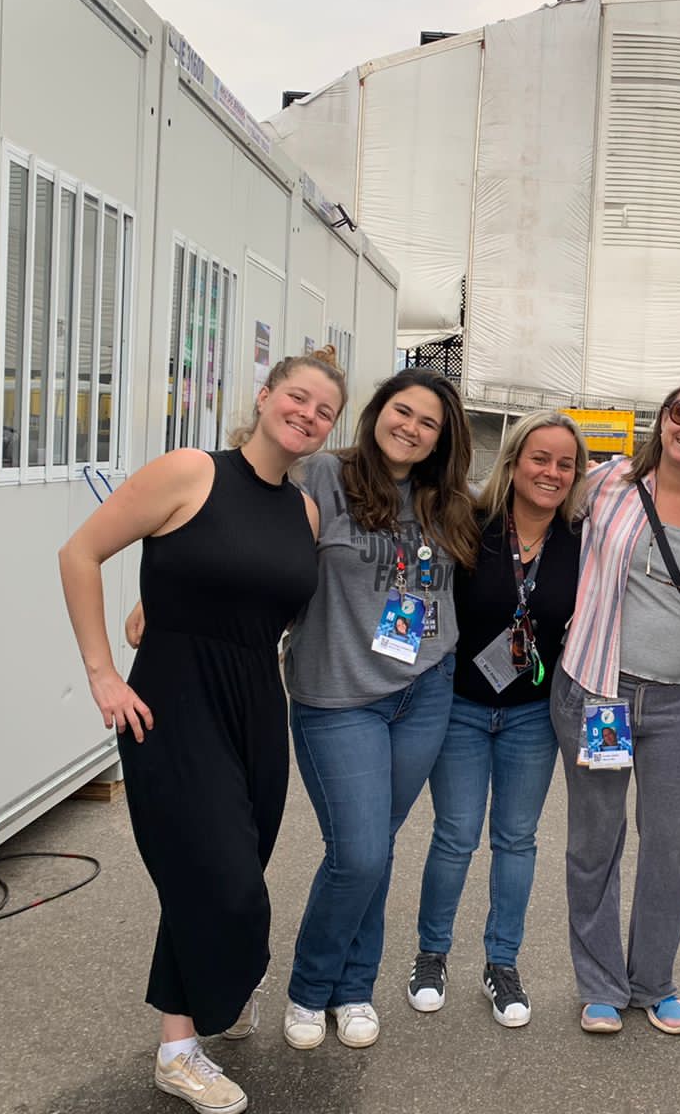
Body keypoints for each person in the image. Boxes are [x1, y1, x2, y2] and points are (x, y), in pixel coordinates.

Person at [59, 349, 344, 1114]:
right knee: (224, 885)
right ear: (265, 396)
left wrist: (159, 599)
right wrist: (101, 673)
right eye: (298, 397)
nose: (308, 415)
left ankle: (204, 1007)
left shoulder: (305, 513)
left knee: (219, 872)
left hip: (257, 707)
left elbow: (249, 590)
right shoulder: (191, 471)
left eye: (325, 410)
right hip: (174, 704)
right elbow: (79, 552)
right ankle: (181, 1051)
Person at [281, 368, 480, 1052]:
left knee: (375, 846)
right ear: (376, 412)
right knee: (360, 852)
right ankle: (312, 987)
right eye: (403, 411)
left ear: (442, 440)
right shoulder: (320, 477)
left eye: (429, 423)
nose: (412, 429)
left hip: (425, 690)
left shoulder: (447, 501)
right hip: (339, 695)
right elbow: (249, 537)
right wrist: (166, 598)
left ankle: (355, 988)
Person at [551, 374, 680, 1036]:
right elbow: (528, 512)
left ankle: (654, 981)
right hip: (600, 689)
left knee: (671, 846)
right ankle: (600, 983)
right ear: (663, 416)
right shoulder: (605, 485)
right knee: (595, 841)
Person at [406, 411, 589, 1028]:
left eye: (565, 464)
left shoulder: (580, 540)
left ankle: (501, 962)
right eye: (540, 458)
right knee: (455, 835)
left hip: (532, 716)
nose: (552, 472)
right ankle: (431, 955)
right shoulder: (471, 524)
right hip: (459, 707)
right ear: (514, 460)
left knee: (516, 839)